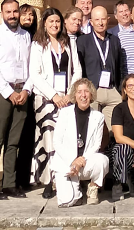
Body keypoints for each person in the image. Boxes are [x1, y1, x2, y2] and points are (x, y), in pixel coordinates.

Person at [27, 7, 82, 199]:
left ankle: (66, 176)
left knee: (67, 138)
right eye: (51, 21)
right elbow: (35, 74)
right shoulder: (37, 45)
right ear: (44, 23)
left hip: (67, 99)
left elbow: (77, 71)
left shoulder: (68, 43)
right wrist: (53, 96)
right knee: (49, 136)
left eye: (57, 21)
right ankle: (50, 180)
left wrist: (68, 94)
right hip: (46, 99)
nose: (55, 25)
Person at [0, 0, 33, 199]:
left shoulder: (26, 36)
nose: (12, 15)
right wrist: (9, 92)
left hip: (22, 92)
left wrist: (26, 90)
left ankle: (10, 184)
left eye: (15, 12)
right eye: (8, 12)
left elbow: (31, 66)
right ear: (2, 13)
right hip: (2, 93)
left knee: (14, 142)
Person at [51, 78, 109, 208]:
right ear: (74, 95)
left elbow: (96, 145)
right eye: (79, 92)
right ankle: (67, 185)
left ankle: (93, 188)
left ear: (91, 94)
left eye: (86, 92)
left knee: (102, 160)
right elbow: (57, 142)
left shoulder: (98, 116)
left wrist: (81, 160)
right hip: (67, 163)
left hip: (85, 162)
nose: (83, 95)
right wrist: (73, 160)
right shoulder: (64, 113)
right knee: (68, 201)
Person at [78, 6, 127, 128]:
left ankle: (109, 147)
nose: (100, 23)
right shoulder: (83, 41)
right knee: (92, 127)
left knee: (112, 130)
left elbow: (120, 65)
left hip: (112, 90)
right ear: (91, 22)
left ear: (108, 20)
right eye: (97, 19)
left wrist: (120, 89)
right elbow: (80, 67)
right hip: (93, 90)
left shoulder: (115, 40)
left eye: (103, 19)